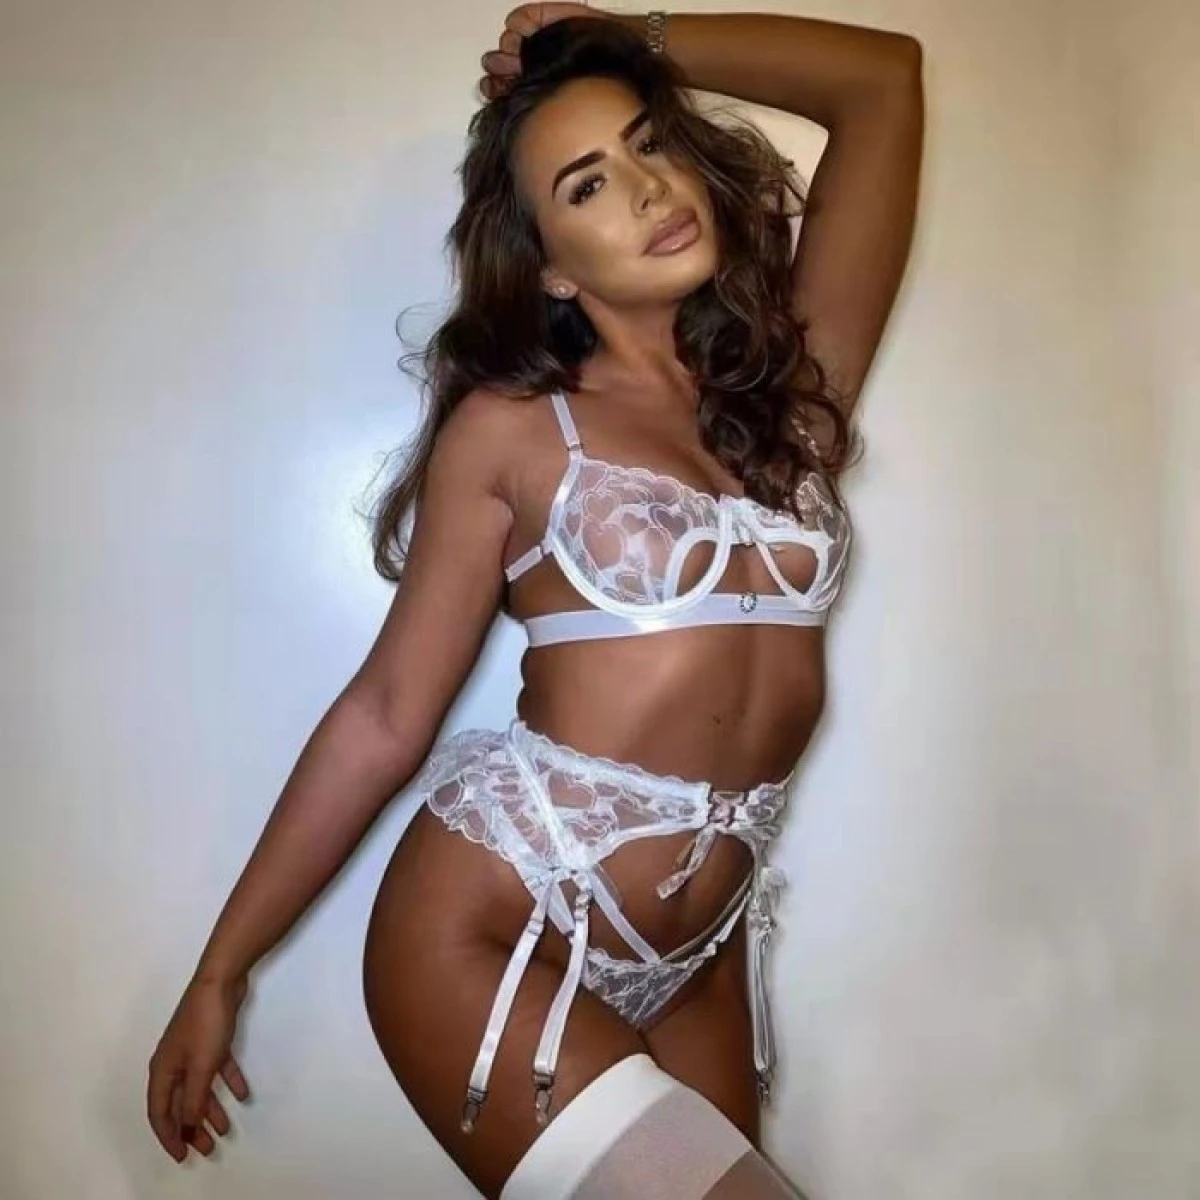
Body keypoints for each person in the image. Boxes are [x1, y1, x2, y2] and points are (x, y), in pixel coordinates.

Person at [146, 7, 923, 1197]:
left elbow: (883, 82)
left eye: (650, 142)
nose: (649, 190)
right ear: (552, 263)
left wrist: (626, 35)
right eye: (588, 184)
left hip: (697, 957)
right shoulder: (514, 432)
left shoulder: (786, 399)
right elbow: (387, 713)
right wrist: (222, 971)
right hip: (490, 930)